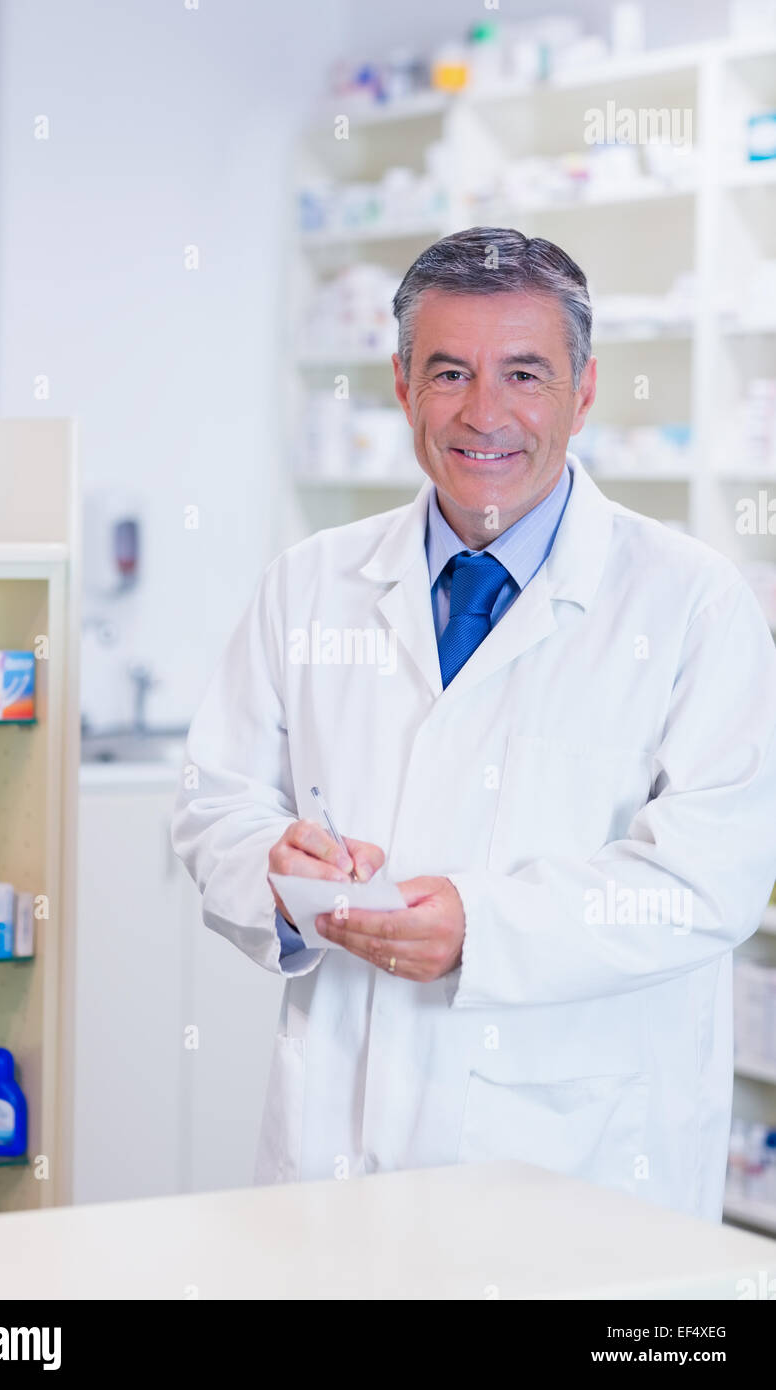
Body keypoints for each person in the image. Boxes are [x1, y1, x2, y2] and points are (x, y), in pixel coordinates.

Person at [171, 227, 776, 1221]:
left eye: (524, 374)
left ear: (582, 392)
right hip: (337, 1153)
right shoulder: (310, 582)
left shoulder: (691, 605)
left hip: (576, 1167)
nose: (483, 413)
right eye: (448, 371)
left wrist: (482, 929)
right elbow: (212, 801)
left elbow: (710, 877)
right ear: (401, 383)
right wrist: (275, 870)